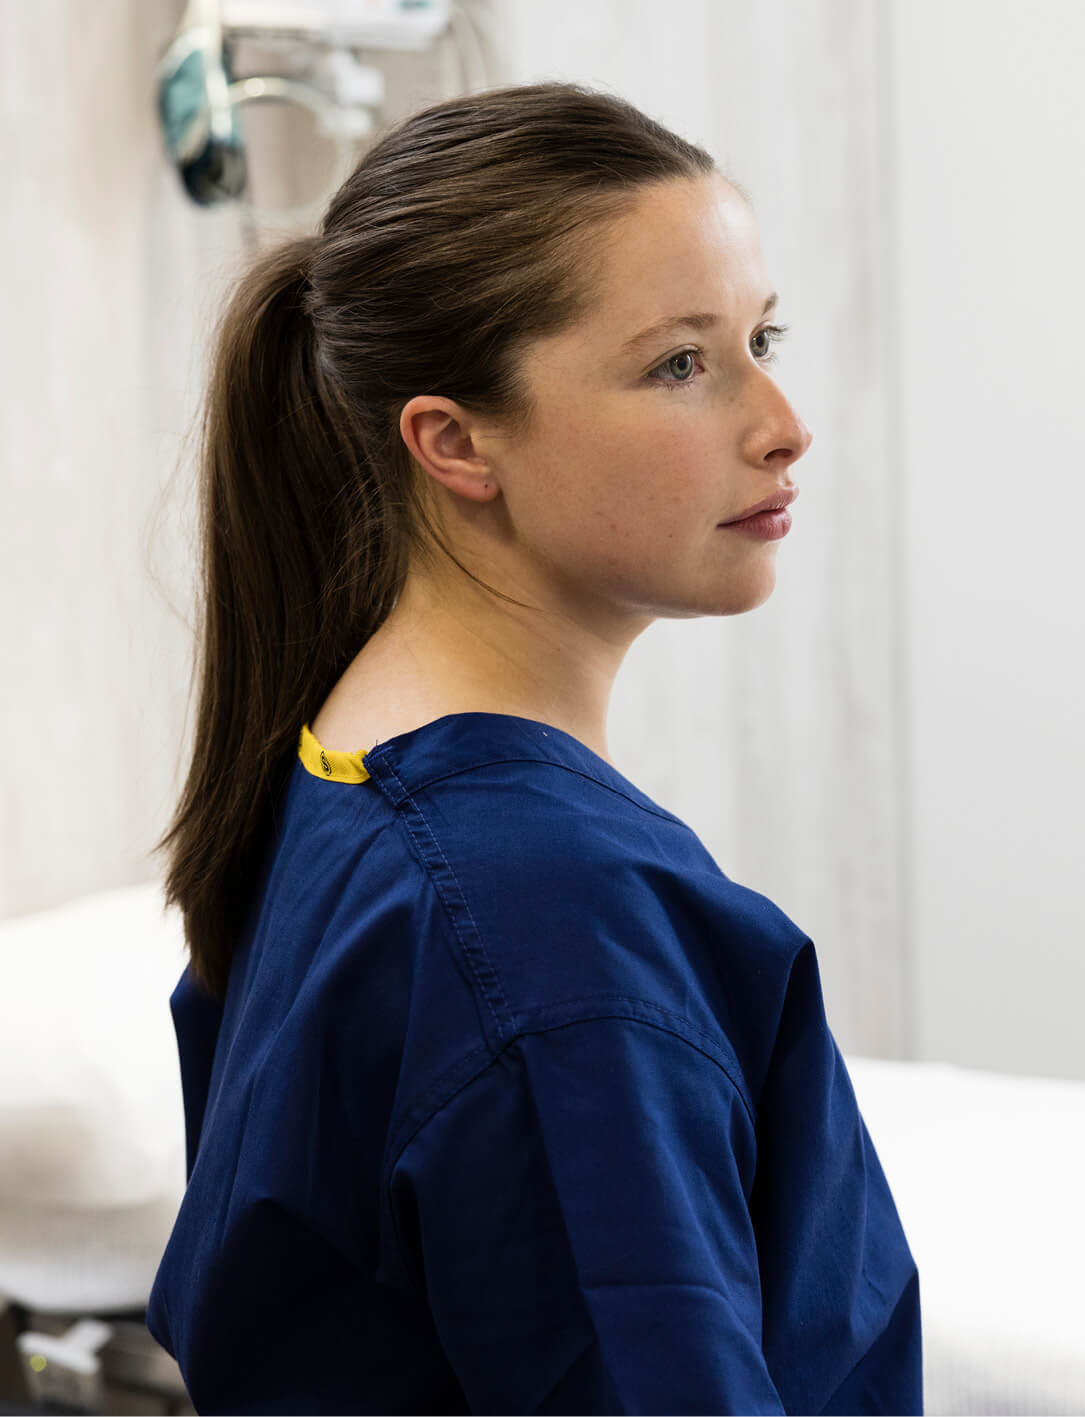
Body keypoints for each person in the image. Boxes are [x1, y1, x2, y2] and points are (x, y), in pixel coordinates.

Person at [144, 81, 921, 1414]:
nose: (782, 423)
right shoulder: (546, 913)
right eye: (680, 363)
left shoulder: (341, 768)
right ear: (457, 442)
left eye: (760, 335)